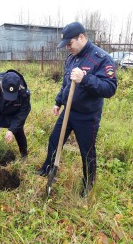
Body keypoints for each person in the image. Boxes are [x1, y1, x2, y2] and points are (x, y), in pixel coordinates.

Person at [37, 22, 117, 197]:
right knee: (54, 140)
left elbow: (110, 88)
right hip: (69, 111)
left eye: (70, 43)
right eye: (65, 45)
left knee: (86, 151)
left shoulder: (101, 58)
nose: (68, 48)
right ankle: (47, 169)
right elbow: (66, 84)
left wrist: (86, 78)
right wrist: (58, 102)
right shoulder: (71, 58)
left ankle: (88, 183)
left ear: (81, 37)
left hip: (88, 116)